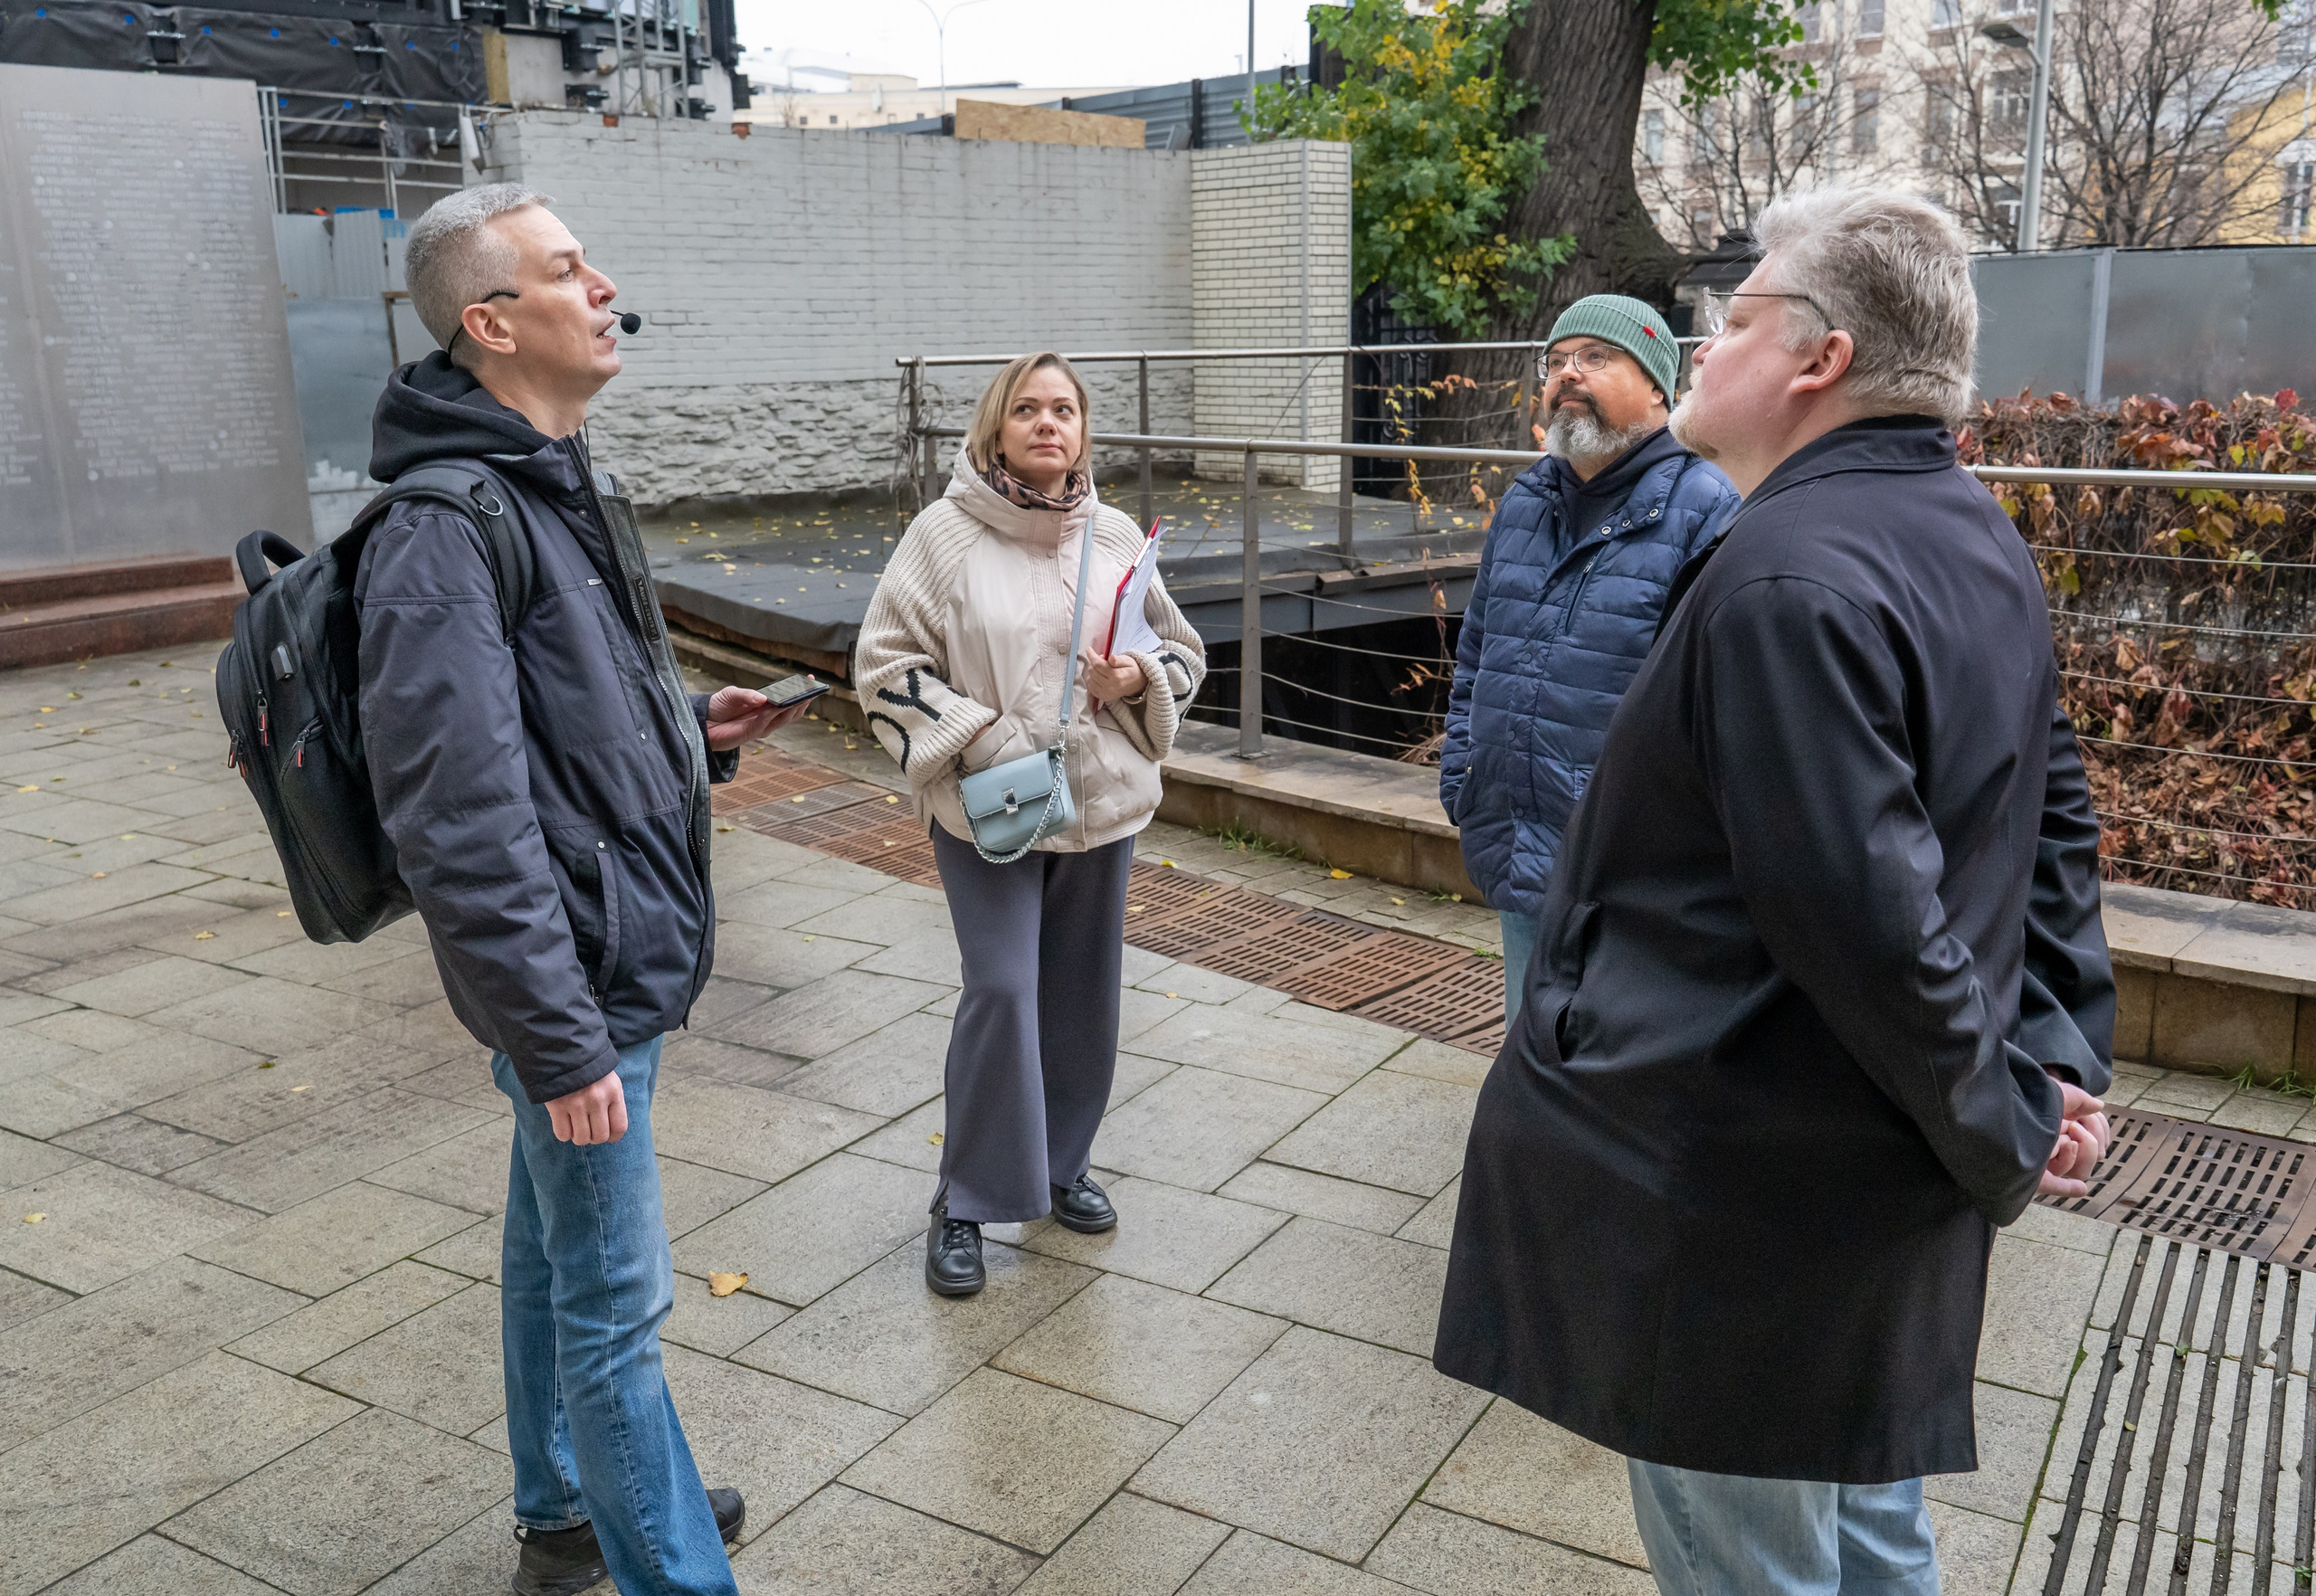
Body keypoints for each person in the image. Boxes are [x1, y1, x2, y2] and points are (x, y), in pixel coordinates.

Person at [1432, 187, 2117, 1596]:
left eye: (1732, 318)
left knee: (1760, 1564)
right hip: (1865, 1195)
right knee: (1869, 1539)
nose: (1702, 352)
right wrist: (2049, 1055)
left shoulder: (1782, 580)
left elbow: (1866, 923)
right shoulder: (1973, 534)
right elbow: (2051, 827)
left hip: (1748, 1211)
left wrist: (2007, 1120)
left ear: (1820, 359)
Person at [362, 184, 803, 1596]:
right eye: (567, 270)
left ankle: (561, 1500)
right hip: (579, 977)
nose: (603, 283)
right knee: (616, 1307)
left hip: (600, 946)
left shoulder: (557, 475)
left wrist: (693, 729)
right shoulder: (445, 527)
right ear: (492, 322)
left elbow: (566, 715)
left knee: (555, 1255)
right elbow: (459, 816)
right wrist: (557, 1040)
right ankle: (675, 1576)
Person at [854, 352, 1206, 1297]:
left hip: (1101, 802)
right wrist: (984, 743)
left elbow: (1181, 653)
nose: (1048, 424)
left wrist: (1138, 680)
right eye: (1027, 410)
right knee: (1003, 989)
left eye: (1064, 410)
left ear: (1083, 431)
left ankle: (1061, 1165)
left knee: (1084, 991)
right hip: (992, 806)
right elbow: (884, 670)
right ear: (995, 429)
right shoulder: (942, 537)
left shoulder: (1119, 531)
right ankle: (964, 1197)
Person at [1440, 295, 1739, 1021]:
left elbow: (1719, 703)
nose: (1568, 374)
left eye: (1597, 358)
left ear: (1659, 387)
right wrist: (1464, 774)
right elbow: (1477, 649)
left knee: (1621, 1076)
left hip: (1634, 864)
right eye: (1557, 360)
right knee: (1529, 1041)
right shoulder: (1525, 502)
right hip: (1513, 832)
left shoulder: (1707, 507)